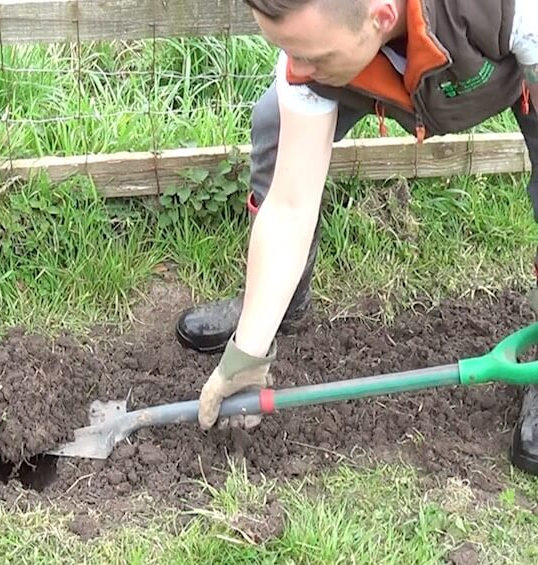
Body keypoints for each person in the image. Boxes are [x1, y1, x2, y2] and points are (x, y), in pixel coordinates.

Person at [177, 0, 538, 476]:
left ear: (382, 17)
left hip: (503, 66)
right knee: (275, 119)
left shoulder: (514, 10)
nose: (296, 68)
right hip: (389, 72)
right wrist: (247, 352)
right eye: (287, 50)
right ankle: (280, 301)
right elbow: (289, 205)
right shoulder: (312, 51)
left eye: (312, 56)